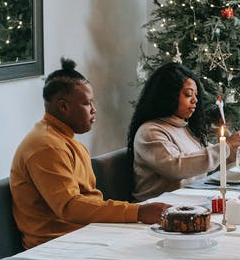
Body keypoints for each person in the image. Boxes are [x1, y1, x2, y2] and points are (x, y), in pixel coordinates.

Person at [10, 58, 168, 250]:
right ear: (63, 107)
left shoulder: (64, 139)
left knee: (163, 239)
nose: (94, 110)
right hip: (57, 246)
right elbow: (70, 207)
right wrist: (138, 212)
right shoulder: (46, 146)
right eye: (87, 103)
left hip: (86, 232)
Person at [127, 62, 240, 201]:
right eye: (188, 95)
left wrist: (234, 151)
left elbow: (208, 165)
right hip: (156, 210)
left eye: (196, 95)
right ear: (168, 95)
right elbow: (177, 167)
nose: (195, 100)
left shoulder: (186, 128)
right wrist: (224, 147)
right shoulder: (149, 132)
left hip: (189, 204)